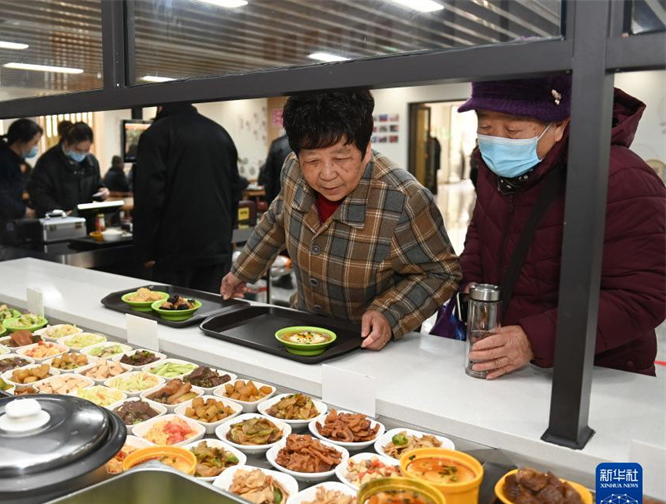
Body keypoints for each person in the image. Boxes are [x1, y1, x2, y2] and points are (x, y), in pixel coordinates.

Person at [458, 76, 666, 378]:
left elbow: (646, 294)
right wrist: (471, 285)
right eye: (486, 128)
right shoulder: (492, 169)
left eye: (513, 130)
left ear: (559, 125)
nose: (497, 141)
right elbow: (481, 232)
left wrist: (533, 339)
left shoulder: (620, 178)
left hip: (600, 372)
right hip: (510, 365)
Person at [220, 91, 461, 350]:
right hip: (303, 329)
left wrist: (389, 313)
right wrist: (241, 272)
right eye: (312, 160)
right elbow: (278, 219)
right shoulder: (292, 169)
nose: (326, 174)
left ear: (366, 150)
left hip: (369, 345)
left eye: (341, 158)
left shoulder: (402, 199)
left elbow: (441, 272)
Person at [132, 103, 240, 292]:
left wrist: (144, 252)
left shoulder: (155, 135)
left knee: (171, 313)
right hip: (217, 247)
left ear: (159, 106)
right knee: (211, 313)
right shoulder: (220, 133)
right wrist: (226, 238)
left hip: (173, 251)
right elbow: (234, 191)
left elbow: (149, 199)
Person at [27, 122, 109, 216]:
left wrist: (102, 191)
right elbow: (38, 192)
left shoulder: (91, 162)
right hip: (57, 220)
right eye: (78, 150)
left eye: (86, 150)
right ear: (66, 143)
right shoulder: (48, 162)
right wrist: (58, 212)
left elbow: (96, 184)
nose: (82, 154)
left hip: (85, 218)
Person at [0, 118, 42, 243]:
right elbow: (0, 195)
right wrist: (23, 211)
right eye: (34, 143)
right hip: (1, 222)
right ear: (21, 141)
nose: (36, 147)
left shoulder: (15, 160)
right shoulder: (2, 161)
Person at [258, 134, 292, 204]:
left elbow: (268, 177)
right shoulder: (308, 142)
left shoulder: (276, 144)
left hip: (279, 196)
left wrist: (269, 202)